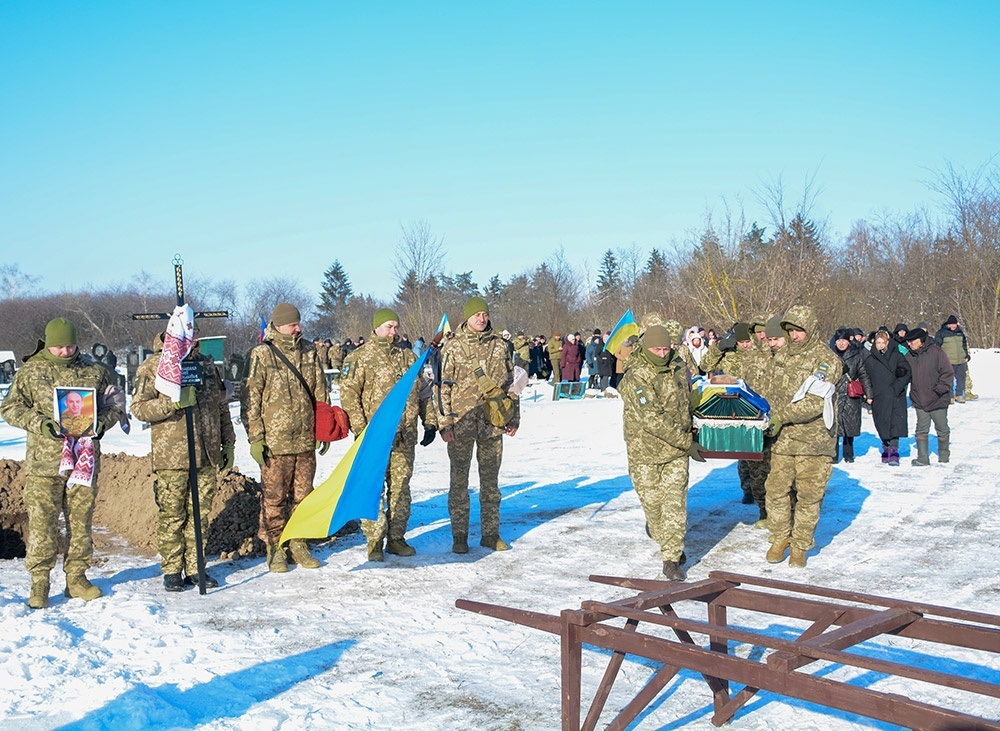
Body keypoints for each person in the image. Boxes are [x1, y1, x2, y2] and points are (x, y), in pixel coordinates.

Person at [1, 318, 124, 608]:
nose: (65, 352)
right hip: (45, 463)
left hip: (83, 461)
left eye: (70, 346)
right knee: (42, 522)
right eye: (59, 347)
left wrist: (101, 424)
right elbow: (10, 407)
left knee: (80, 521)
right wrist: (41, 424)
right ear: (48, 344)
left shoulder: (94, 371)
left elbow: (116, 404)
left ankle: (77, 579)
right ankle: (40, 583)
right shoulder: (31, 372)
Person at [132, 330, 235, 591]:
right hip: (172, 457)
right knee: (172, 515)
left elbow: (220, 405)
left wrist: (228, 442)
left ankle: (196, 567)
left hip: (206, 453)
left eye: (195, 332)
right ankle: (172, 570)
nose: (193, 338)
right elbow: (139, 408)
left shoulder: (206, 365)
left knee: (200, 516)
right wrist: (172, 403)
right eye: (186, 332)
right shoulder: (154, 366)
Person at [340, 308, 436, 561]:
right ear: (377, 327)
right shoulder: (360, 357)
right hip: (374, 439)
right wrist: (362, 430)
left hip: (405, 436)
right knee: (372, 488)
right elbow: (349, 396)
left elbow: (423, 392)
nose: (394, 331)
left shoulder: (408, 357)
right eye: (388, 327)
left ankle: (396, 538)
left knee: (401, 488)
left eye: (396, 327)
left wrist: (429, 422)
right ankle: (374, 541)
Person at [244, 302, 330, 572]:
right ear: (279, 325)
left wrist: (323, 428)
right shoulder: (262, 354)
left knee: (303, 496)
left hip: (304, 439)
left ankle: (298, 543)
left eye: (298, 323)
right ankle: (276, 548)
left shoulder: (309, 351)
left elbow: (320, 391)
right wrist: (256, 437)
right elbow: (251, 399)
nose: (298, 328)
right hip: (275, 442)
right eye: (293, 324)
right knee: (274, 497)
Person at [620, 325, 705, 580]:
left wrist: (695, 417)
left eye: (666, 349)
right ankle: (664, 537)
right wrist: (686, 442)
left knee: (674, 505)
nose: (662, 354)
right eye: (657, 349)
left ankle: (671, 558)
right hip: (644, 452)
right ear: (646, 349)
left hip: (676, 452)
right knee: (654, 506)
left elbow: (686, 398)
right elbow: (651, 419)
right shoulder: (636, 376)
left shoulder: (678, 366)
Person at [761, 306, 842, 568]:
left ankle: (800, 545)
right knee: (775, 492)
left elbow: (816, 402)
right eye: (790, 331)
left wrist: (781, 416)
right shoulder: (781, 356)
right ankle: (780, 537)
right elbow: (768, 391)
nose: (795, 336)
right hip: (783, 440)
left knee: (808, 496)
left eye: (800, 331)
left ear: (811, 330)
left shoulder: (826, 360)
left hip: (814, 442)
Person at [439, 296, 519, 553]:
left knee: (491, 484)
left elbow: (512, 384)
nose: (482, 319)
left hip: (492, 424)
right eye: (477, 315)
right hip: (460, 424)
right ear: (467, 317)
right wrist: (445, 423)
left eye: (485, 314)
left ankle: (490, 534)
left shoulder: (500, 345)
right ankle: (459, 536)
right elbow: (443, 387)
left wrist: (513, 417)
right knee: (459, 483)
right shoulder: (453, 347)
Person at [700, 322, 771, 521]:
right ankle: (747, 489)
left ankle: (761, 498)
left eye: (748, 341)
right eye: (741, 342)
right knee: (743, 452)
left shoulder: (760, 354)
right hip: (735, 406)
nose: (745, 345)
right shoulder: (729, 354)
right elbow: (705, 366)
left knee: (759, 454)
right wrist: (718, 348)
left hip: (758, 406)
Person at [904, 327, 953, 466]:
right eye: (908, 342)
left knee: (942, 428)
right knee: (921, 429)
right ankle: (923, 458)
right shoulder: (909, 356)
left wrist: (939, 391)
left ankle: (944, 456)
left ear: (921, 341)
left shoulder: (937, 352)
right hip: (919, 399)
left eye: (912, 341)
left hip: (938, 399)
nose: (910, 344)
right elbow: (905, 375)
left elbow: (947, 373)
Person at [864, 328, 911, 466]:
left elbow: (907, 373)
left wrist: (896, 387)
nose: (880, 345)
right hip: (879, 396)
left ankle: (894, 451)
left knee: (894, 423)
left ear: (887, 343)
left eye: (882, 342)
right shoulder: (870, 359)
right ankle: (886, 447)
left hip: (895, 395)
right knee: (882, 423)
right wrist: (869, 394)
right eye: (878, 342)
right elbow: (866, 377)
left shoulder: (896, 356)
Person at [829, 328, 873, 463]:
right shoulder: (830, 356)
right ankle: (833, 455)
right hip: (834, 394)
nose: (841, 343)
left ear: (849, 342)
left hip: (850, 395)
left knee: (849, 425)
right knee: (833, 426)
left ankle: (848, 454)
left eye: (844, 340)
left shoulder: (856, 355)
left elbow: (863, 375)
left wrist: (869, 394)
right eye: (839, 341)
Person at [933, 315, 971, 403]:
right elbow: (936, 347)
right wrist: (939, 358)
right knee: (948, 379)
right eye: (951, 324)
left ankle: (959, 395)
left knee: (961, 378)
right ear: (948, 324)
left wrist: (967, 355)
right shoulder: (941, 333)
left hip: (961, 360)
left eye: (954, 324)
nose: (953, 326)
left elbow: (964, 345)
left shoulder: (960, 332)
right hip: (948, 361)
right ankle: (950, 396)